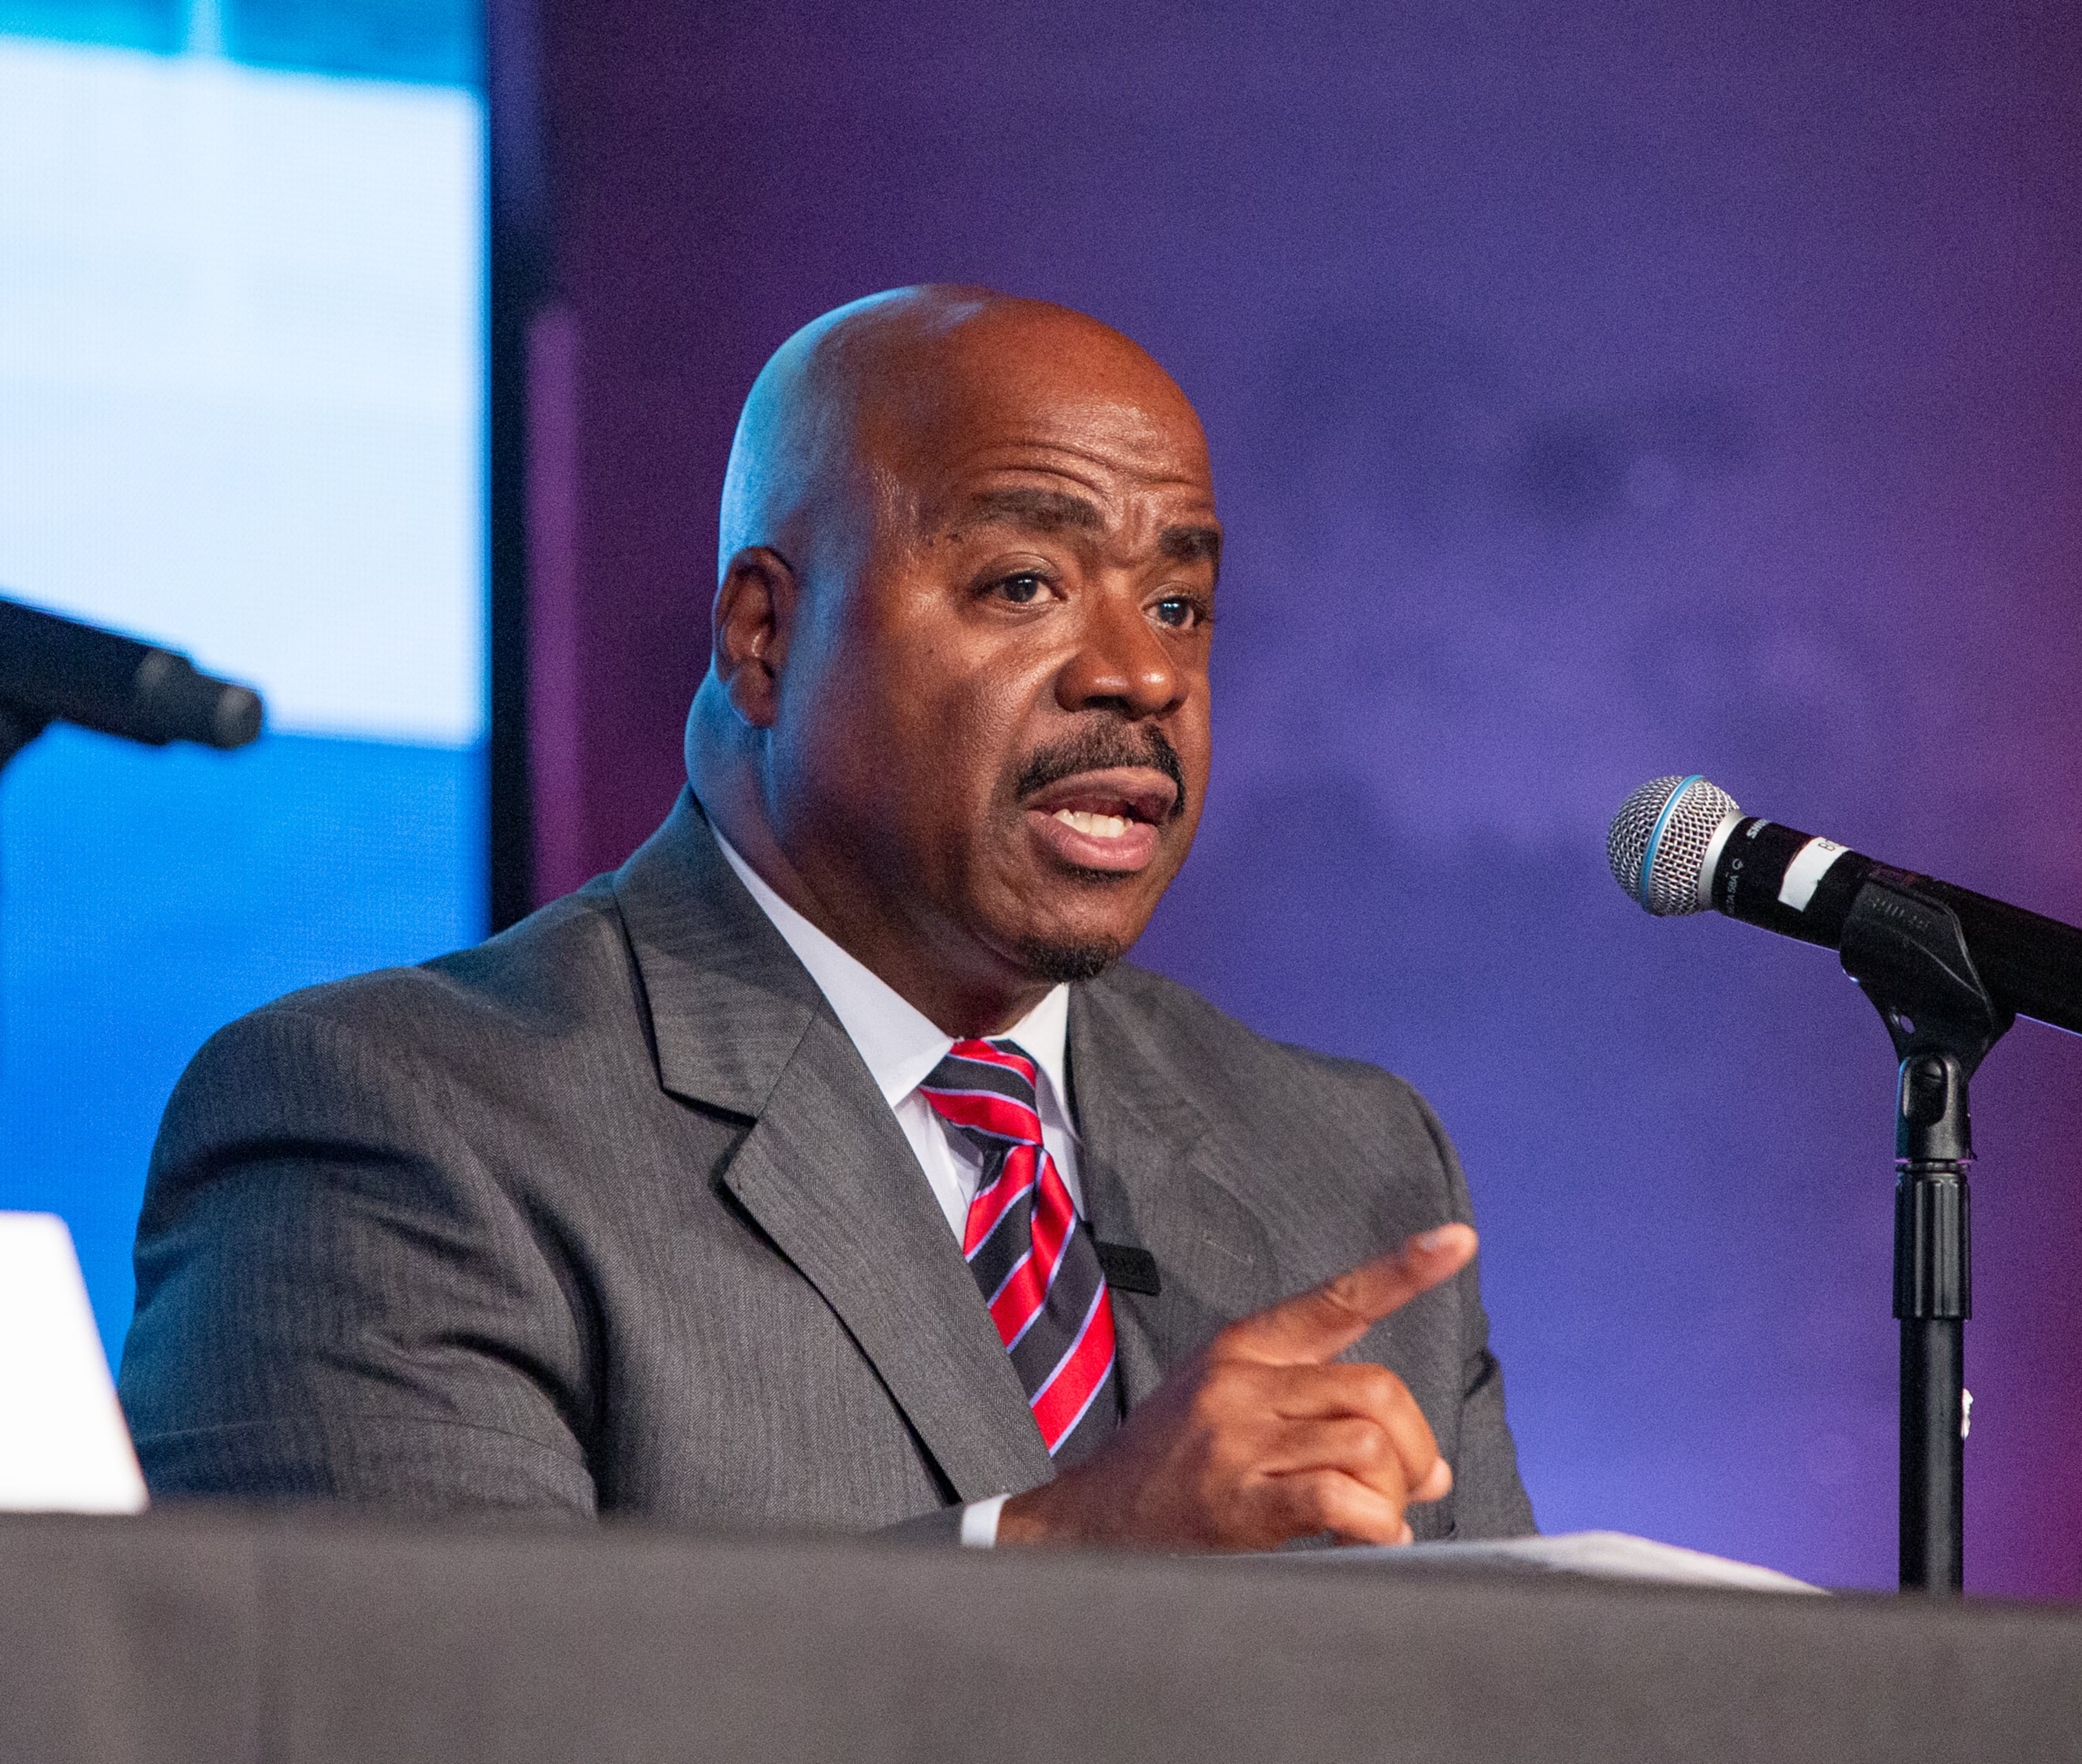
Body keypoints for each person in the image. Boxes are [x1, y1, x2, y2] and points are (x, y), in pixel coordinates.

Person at [119, 287, 1534, 1550]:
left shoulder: (1352, 1169)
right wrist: (1051, 1561)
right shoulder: (399, 1122)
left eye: (1179, 602)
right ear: (764, 636)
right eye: (1025, 585)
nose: (1140, 676)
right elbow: (410, 1711)